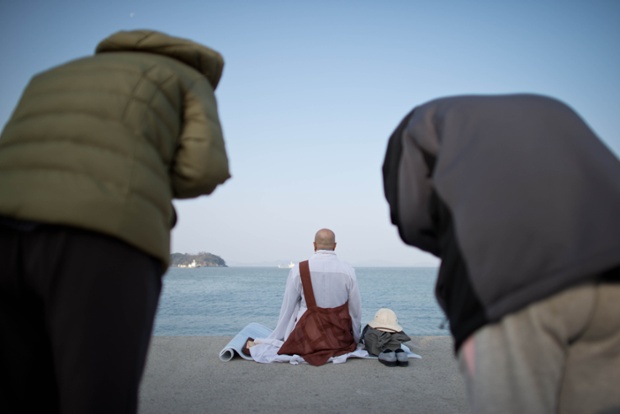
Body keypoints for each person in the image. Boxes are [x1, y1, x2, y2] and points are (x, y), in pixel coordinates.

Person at [0, 30, 230, 414]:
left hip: (6, 228)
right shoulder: (186, 76)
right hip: (103, 235)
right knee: (97, 393)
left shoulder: (52, 75)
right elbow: (203, 169)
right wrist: (144, 178)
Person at [382, 94, 620, 413]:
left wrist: (453, 250)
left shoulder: (418, 124)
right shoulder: (552, 108)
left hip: (516, 284)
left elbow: (411, 214)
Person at [249, 229, 362, 364]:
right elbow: (355, 311)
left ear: (314, 245)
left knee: (298, 305)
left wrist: (281, 336)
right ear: (335, 246)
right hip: (339, 340)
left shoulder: (299, 269)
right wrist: (355, 339)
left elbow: (287, 308)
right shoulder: (348, 270)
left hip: (307, 340)